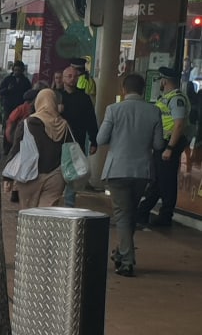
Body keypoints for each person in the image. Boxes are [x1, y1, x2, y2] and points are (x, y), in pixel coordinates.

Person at [95, 73, 164, 277]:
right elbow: (159, 144)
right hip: (142, 171)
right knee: (130, 213)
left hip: (117, 170)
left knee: (123, 215)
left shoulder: (113, 110)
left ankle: (126, 260)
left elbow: (100, 139)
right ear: (143, 90)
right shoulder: (154, 111)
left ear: (123, 89)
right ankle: (120, 252)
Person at [136, 66, 191, 228]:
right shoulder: (166, 98)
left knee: (166, 182)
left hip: (169, 144)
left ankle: (165, 216)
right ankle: (143, 212)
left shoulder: (176, 99)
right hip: (163, 144)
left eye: (161, 79)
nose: (160, 82)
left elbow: (179, 125)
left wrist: (170, 148)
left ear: (165, 81)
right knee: (158, 180)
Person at [6, 88, 73, 208]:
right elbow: (69, 150)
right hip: (56, 176)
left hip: (29, 175)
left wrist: (7, 177)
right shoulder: (64, 125)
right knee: (47, 216)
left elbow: (15, 150)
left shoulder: (27, 123)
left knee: (29, 214)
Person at [55, 64, 98, 205]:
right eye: (69, 76)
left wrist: (94, 140)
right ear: (63, 78)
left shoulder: (84, 97)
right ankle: (53, 200)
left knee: (74, 173)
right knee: (56, 172)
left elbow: (91, 119)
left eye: (75, 76)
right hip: (58, 140)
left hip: (77, 140)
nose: (72, 79)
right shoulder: (56, 95)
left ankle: (69, 203)